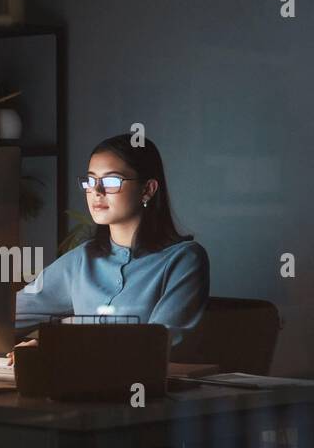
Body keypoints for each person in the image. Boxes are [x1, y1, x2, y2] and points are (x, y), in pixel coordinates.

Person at [12, 132, 209, 363]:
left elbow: (159, 343)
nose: (97, 191)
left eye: (111, 181)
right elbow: (7, 318)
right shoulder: (81, 259)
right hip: (80, 389)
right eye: (90, 180)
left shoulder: (184, 259)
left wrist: (60, 347)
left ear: (148, 190)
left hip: (145, 393)